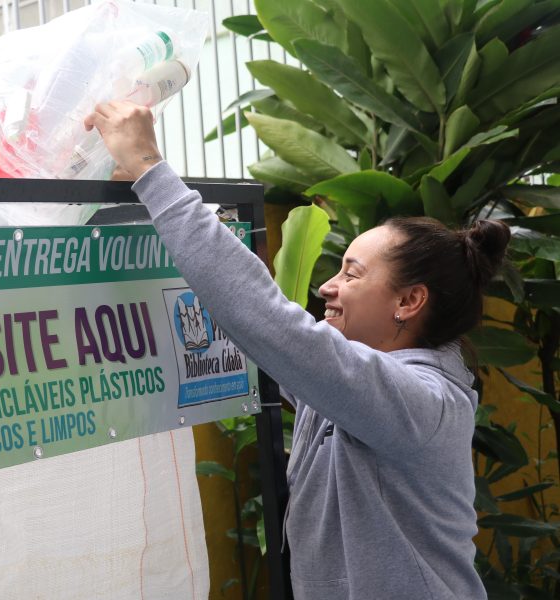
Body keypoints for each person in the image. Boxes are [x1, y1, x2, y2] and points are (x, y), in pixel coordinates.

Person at [85, 101, 509, 600]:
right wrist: (143, 197)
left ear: (409, 301)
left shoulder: (420, 401)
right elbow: (252, 322)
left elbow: (268, 323)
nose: (328, 287)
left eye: (351, 273)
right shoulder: (353, 388)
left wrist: (151, 169)